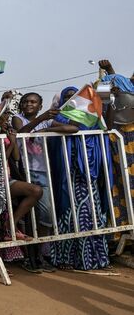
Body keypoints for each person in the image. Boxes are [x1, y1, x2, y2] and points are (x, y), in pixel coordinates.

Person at [12, 92, 78, 272]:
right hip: (25, 170)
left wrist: (47, 129)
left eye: (33, 102)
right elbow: (21, 133)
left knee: (46, 215)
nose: (28, 104)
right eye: (25, 101)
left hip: (43, 170)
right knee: (28, 217)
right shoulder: (18, 118)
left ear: (40, 105)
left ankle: (42, 253)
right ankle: (28, 257)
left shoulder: (47, 122)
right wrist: (40, 120)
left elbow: (73, 128)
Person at [48, 86, 111, 271]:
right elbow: (67, 128)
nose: (71, 100)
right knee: (68, 214)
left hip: (89, 174)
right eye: (67, 97)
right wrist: (62, 125)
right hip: (68, 174)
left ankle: (95, 257)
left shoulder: (90, 117)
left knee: (92, 214)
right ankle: (65, 257)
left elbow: (86, 128)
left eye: (74, 96)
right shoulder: (58, 117)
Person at [99, 63, 134, 240]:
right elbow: (104, 100)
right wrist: (111, 93)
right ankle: (123, 233)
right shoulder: (116, 84)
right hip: (119, 140)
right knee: (122, 188)